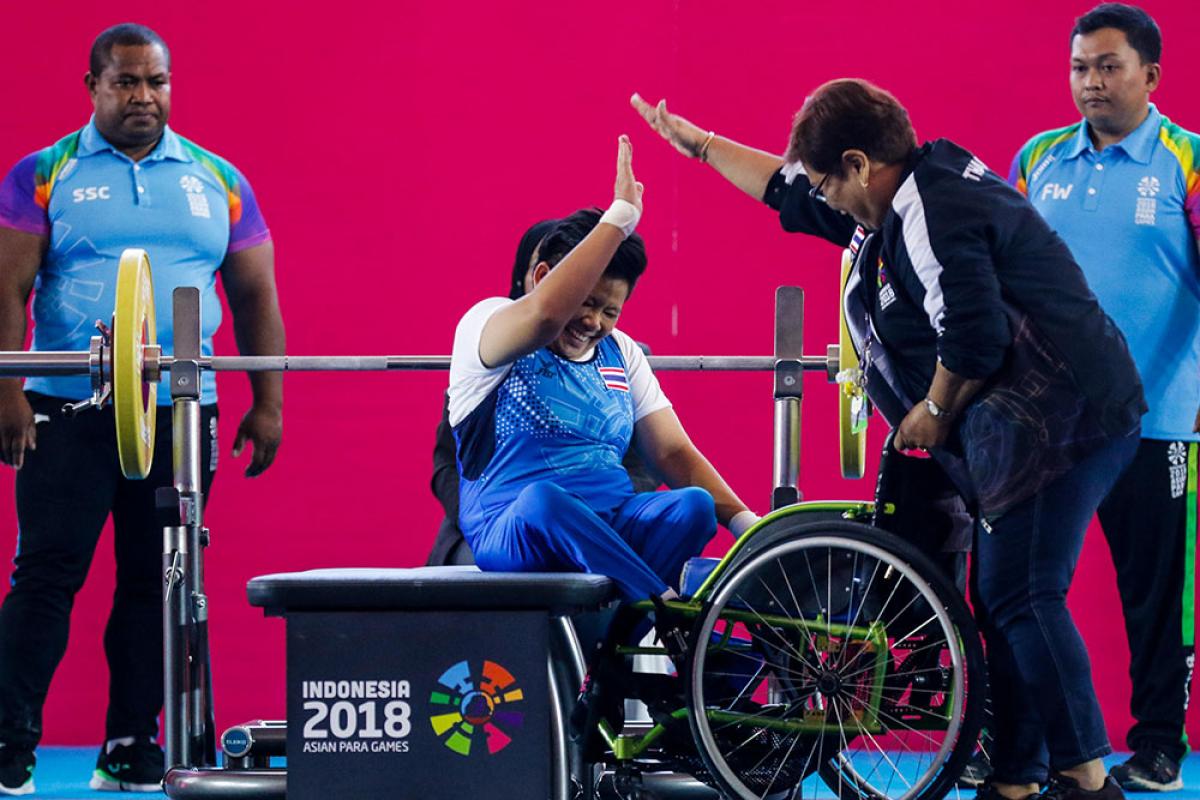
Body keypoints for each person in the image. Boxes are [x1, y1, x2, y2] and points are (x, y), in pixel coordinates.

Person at [633, 80, 1145, 800]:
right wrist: (701, 146)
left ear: (857, 163)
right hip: (1031, 430)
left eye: (826, 182)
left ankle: (1086, 780)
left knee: (1023, 594)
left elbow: (974, 336)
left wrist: (930, 412)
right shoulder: (889, 203)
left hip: (1067, 423)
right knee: (1001, 598)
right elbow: (788, 194)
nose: (822, 198)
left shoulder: (933, 209)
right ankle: (1017, 781)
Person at [0, 23, 284, 794]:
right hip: (66, 405)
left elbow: (255, 292)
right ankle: (9, 745)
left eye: (156, 82)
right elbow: (8, 289)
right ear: (92, 85)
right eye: (126, 82)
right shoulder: (43, 173)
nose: (143, 97)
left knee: (157, 578)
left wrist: (269, 402)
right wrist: (6, 389)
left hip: (185, 412)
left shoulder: (216, 178)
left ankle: (130, 743)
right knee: (47, 573)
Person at [447, 136, 756, 625]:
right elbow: (547, 317)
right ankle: (667, 611)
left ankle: (639, 623)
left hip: (612, 525)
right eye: (586, 303)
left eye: (610, 310)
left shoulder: (622, 352)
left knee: (695, 506)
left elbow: (674, 455)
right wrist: (618, 219)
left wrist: (747, 525)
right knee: (544, 501)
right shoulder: (488, 322)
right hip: (513, 526)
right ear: (543, 275)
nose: (593, 322)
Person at [1010, 5, 1200, 790]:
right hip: (1047, 427)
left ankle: (1157, 742)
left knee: (1157, 596)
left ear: (1150, 75)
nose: (1091, 82)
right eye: (1080, 67)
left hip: (1161, 420)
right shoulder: (1038, 158)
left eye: (1109, 66)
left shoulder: (1188, 162)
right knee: (1022, 589)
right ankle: (1024, 750)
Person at [428, 218, 660, 567]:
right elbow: (448, 463)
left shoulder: (621, 356)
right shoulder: (487, 347)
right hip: (493, 530)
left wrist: (592, 514)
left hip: (598, 525)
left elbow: (652, 461)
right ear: (532, 276)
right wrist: (501, 519)